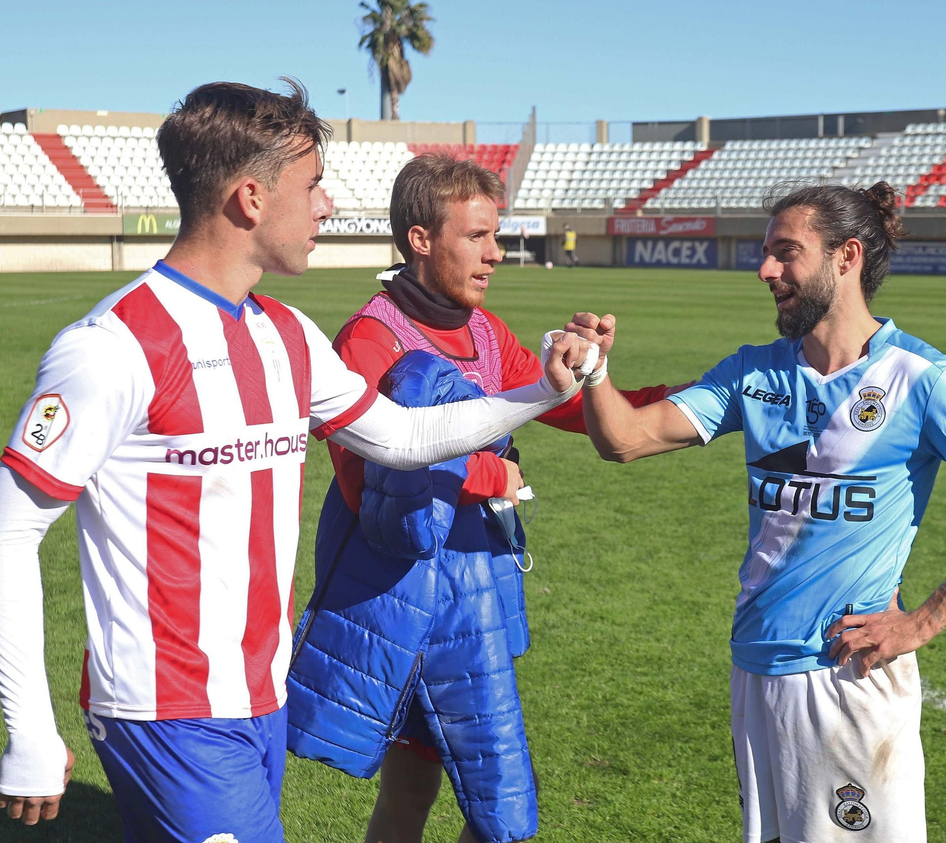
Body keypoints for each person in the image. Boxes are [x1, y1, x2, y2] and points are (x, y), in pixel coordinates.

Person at [0, 80, 600, 843]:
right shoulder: (111, 348)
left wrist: (541, 387)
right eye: (313, 185)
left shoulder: (287, 333)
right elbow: (1, 537)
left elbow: (399, 437)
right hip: (166, 710)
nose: (328, 205)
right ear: (250, 198)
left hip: (260, 694)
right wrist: (29, 727)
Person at [566, 182, 946, 843]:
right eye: (766, 254)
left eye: (786, 253)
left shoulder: (923, 377)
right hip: (755, 668)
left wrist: (920, 623)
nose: (766, 271)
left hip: (845, 679)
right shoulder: (752, 372)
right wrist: (595, 371)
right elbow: (625, 439)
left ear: (846, 257)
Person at [286, 153, 673, 843]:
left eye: (497, 236)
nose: (496, 254)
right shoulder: (371, 337)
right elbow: (362, 477)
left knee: (438, 785)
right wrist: (490, 479)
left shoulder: (485, 330)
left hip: (472, 593)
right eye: (478, 237)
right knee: (484, 799)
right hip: (400, 602)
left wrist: (659, 394)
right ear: (421, 240)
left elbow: (555, 402)